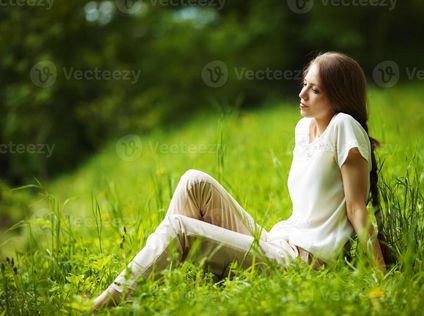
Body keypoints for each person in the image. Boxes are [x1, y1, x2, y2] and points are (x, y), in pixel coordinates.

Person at [91, 51, 387, 310]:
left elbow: (356, 209)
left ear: (338, 95)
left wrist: (382, 279)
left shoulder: (344, 127)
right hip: (279, 241)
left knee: (180, 229)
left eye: (315, 90)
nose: (302, 94)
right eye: (304, 84)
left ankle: (106, 303)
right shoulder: (304, 128)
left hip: (303, 261)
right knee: (195, 182)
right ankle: (161, 274)